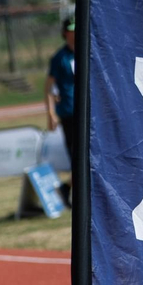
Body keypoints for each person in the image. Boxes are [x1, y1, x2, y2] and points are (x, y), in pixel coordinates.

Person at [47, 15, 78, 206]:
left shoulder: (85, 51)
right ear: (65, 32)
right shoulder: (59, 58)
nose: (75, 33)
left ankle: (66, 187)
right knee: (78, 157)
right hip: (68, 112)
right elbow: (49, 88)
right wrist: (51, 113)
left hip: (87, 112)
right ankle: (66, 188)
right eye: (71, 29)